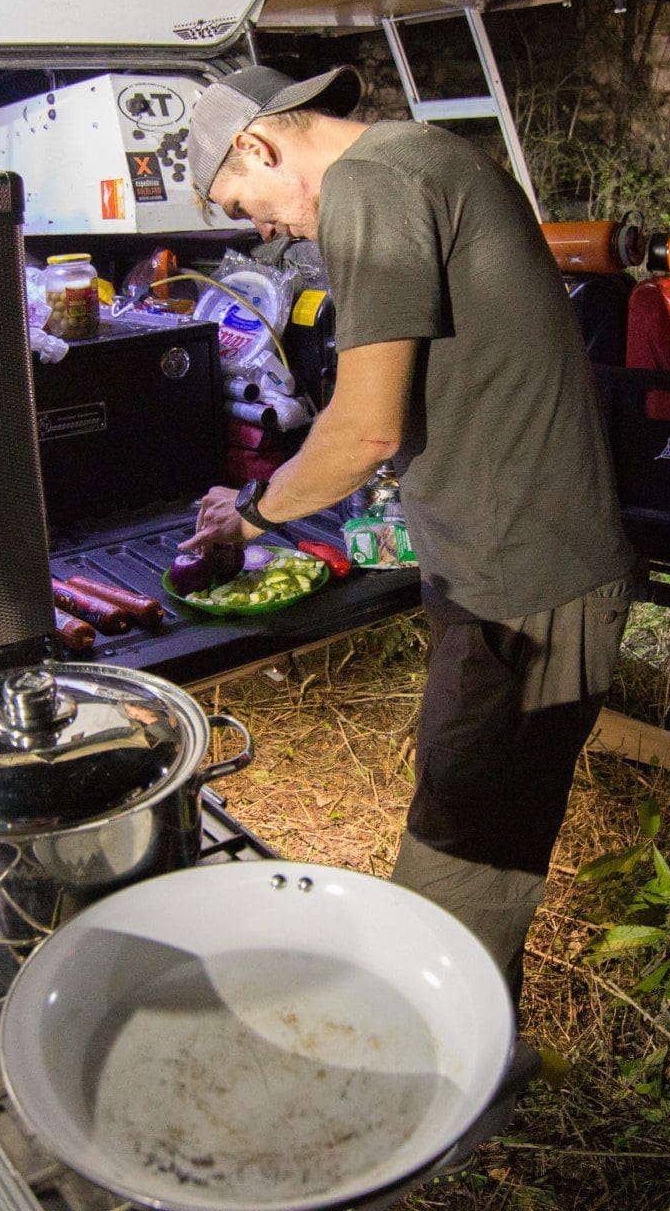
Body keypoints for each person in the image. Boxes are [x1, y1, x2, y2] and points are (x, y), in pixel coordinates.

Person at [181, 65, 639, 1003]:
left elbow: (366, 431)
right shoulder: (419, 157)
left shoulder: (367, 186)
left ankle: (433, 1086)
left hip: (528, 591)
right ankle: (473, 1056)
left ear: (259, 145)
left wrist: (254, 510)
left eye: (244, 202)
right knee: (482, 825)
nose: (263, 229)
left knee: (461, 869)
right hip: (517, 569)